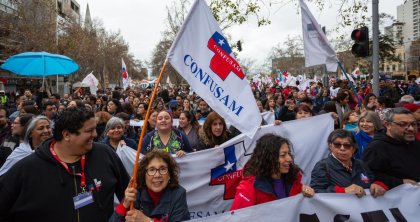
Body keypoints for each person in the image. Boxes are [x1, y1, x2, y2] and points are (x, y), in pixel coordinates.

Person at [0, 107, 130, 221]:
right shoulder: (27, 169)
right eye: (89, 130)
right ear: (67, 135)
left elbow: (128, 194)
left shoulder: (105, 154)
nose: (95, 135)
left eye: (95, 129)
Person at [230, 134, 314, 210]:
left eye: (288, 153)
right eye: (283, 155)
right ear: (268, 158)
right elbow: (237, 217)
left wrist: (306, 192)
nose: (289, 159)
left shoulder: (293, 178)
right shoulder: (250, 186)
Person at [110, 149, 190, 221]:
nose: (157, 175)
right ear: (144, 175)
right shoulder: (135, 193)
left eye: (163, 169)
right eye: (151, 170)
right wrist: (124, 205)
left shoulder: (178, 194)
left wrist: (147, 221)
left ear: (169, 174)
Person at [310, 129, 387, 198]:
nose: (342, 148)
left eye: (347, 145)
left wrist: (377, 185)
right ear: (330, 146)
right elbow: (316, 191)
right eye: (337, 145)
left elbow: (373, 180)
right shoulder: (322, 166)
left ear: (353, 149)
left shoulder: (360, 164)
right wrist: (343, 191)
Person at [362, 107, 420, 189]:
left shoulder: (415, 143)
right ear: (388, 125)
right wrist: (399, 182)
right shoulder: (376, 148)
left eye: (414, 124)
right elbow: (366, 174)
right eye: (403, 124)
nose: (411, 128)